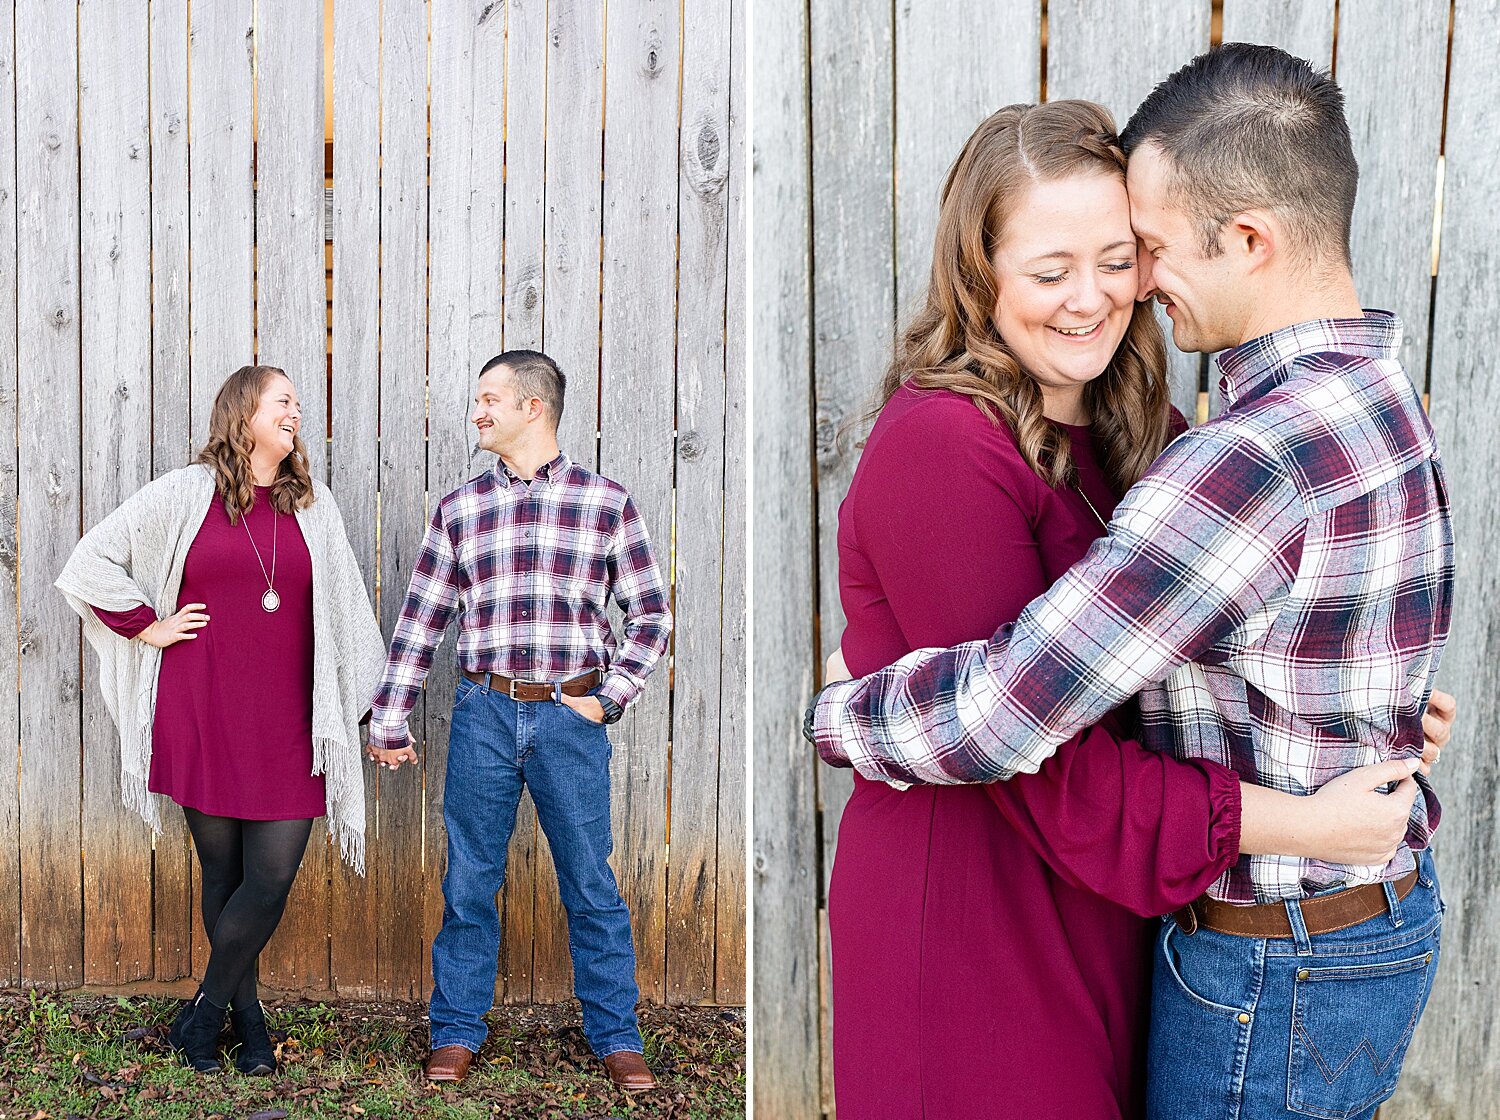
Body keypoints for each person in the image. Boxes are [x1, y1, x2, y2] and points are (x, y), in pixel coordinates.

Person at [811, 46, 1454, 1120]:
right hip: (981, 918)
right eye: (1051, 268)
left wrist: (1345, 715)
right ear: (982, 272)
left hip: (1130, 906)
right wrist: (1305, 813)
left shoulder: (1155, 439)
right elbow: (1024, 755)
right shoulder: (941, 445)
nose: (1112, 293)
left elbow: (1219, 651)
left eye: (1126, 254)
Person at [56, 365, 386, 1075]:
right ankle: (252, 1027)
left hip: (289, 718)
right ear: (243, 414)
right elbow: (90, 560)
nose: (295, 411)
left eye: (298, 403)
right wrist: (148, 625)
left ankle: (204, 1013)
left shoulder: (312, 505)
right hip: (202, 705)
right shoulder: (185, 493)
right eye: (282, 401)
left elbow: (346, 613)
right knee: (224, 871)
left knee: (269, 878)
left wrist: (369, 706)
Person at [366, 350, 672, 1091]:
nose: (478, 411)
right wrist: (390, 717)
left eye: (490, 398)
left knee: (590, 882)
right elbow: (420, 623)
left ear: (533, 407)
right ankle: (458, 1030)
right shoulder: (461, 510)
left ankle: (616, 1034)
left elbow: (651, 615)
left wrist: (610, 695)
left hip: (570, 719)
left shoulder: (606, 504)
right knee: (469, 880)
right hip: (483, 715)